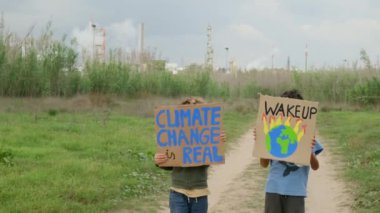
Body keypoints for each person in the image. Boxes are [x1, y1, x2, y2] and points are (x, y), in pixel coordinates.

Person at [255, 89, 323, 213]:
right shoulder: (274, 133)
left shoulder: (306, 135)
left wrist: (308, 151)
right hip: (273, 189)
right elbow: (264, 164)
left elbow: (315, 166)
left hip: (296, 191)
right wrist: (263, 144)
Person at [154, 97, 226, 213]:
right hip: (177, 192)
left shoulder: (205, 135)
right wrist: (159, 161)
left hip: (200, 193)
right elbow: (169, 164)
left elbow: (208, 159)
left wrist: (217, 142)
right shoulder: (175, 135)